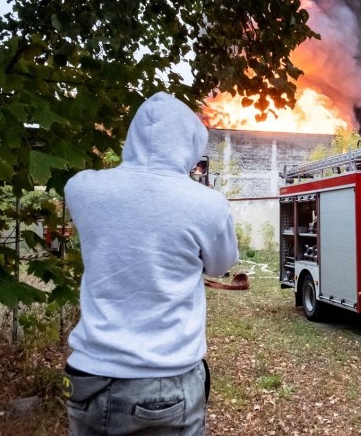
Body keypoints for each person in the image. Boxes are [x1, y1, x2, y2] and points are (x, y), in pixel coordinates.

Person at [62, 92, 238, 435]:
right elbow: (220, 265)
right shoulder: (207, 205)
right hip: (163, 384)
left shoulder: (81, 187)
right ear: (189, 144)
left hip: (86, 380)